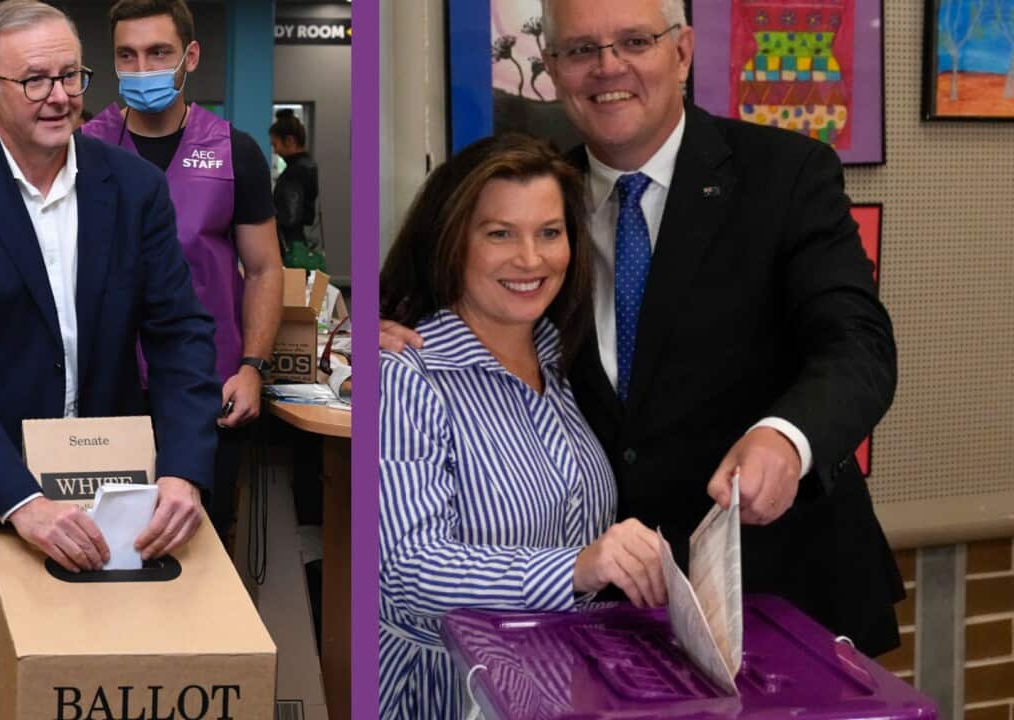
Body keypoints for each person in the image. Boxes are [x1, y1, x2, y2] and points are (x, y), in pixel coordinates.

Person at [382, 0, 904, 656]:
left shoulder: (785, 174)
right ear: (551, 67)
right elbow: (452, 291)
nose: (608, 68)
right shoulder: (544, 196)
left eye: (633, 41)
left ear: (682, 52)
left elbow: (858, 344)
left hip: (786, 597)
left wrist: (786, 438)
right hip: (615, 626)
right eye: (580, 51)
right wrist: (379, 333)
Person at [0, 2, 221, 718]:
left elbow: (179, 334)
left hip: (112, 494)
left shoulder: (132, 188)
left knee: (91, 690)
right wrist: (22, 500)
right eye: (36, 79)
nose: (59, 95)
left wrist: (184, 469)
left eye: (72, 75)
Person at [379, 134, 666, 718]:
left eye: (550, 233)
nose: (531, 259)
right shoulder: (405, 375)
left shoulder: (565, 363)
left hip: (561, 689)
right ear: (453, 240)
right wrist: (578, 568)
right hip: (447, 696)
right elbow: (407, 567)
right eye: (500, 233)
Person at [80, 0, 282, 540]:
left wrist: (252, 367)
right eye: (128, 55)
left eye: (158, 52)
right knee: (108, 548)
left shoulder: (233, 151)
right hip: (106, 389)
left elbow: (263, 269)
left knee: (199, 551)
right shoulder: (85, 149)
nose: (142, 68)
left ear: (189, 57)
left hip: (206, 388)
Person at [269, 109, 325, 271]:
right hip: (304, 242)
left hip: (293, 246)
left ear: (290, 141)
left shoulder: (295, 172)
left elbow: (289, 216)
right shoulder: (309, 166)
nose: (275, 151)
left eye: (275, 144)